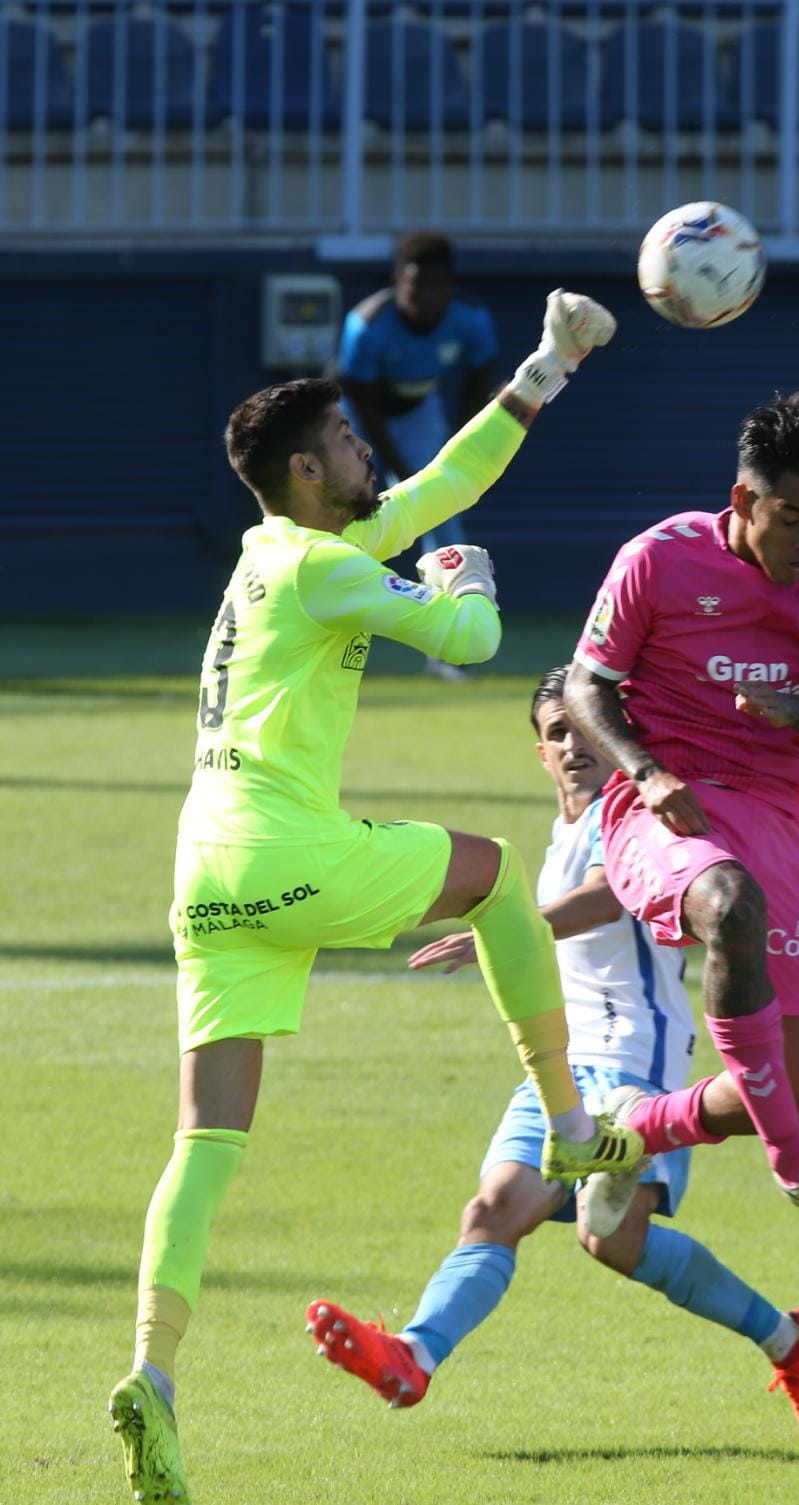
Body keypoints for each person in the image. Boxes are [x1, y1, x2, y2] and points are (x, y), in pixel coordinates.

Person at [107, 292, 643, 1505]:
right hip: (281, 850)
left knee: (206, 1139)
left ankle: (156, 1376)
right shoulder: (325, 574)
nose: (368, 452)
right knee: (499, 869)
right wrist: (471, 577)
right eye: (349, 440)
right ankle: (566, 1120)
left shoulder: (268, 555)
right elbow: (471, 636)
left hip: (202, 871)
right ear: (306, 469)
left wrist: (547, 367)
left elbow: (438, 484)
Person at [304, 666, 799, 1442]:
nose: (574, 745)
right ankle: (413, 1354)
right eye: (556, 733)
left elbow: (616, 893)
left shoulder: (633, 824)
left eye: (584, 728)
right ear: (538, 752)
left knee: (608, 1237)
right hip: (559, 1065)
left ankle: (789, 1341)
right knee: (514, 1217)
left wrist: (507, 925)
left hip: (634, 1060)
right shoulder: (558, 836)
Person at [563, 394, 799, 1228]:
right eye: (791, 518)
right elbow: (584, 687)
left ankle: (629, 1132)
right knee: (728, 903)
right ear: (745, 498)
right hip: (662, 801)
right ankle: (795, 1164)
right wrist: (644, 772)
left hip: (771, 816)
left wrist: (797, 712)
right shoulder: (658, 556)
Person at [339, 231, 500, 681]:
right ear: (397, 281)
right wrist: (400, 471)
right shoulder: (367, 324)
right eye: (415, 288)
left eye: (436, 288)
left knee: (442, 514)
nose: (426, 299)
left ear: (449, 286)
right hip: (357, 419)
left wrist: (457, 451)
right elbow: (363, 404)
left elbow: (478, 377)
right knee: (347, 519)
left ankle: (444, 649)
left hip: (418, 413)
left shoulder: (471, 318)